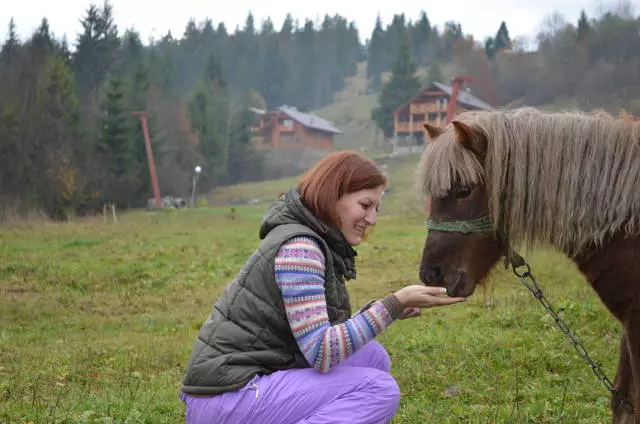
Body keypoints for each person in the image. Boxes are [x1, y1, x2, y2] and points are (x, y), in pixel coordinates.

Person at [179, 151, 467, 424]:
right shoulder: (301, 249)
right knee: (378, 390)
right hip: (228, 396)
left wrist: (392, 309)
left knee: (372, 358)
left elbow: (315, 335)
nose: (372, 219)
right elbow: (321, 352)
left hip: (250, 381)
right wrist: (392, 304)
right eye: (365, 205)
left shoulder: (313, 240)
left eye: (376, 209)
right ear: (333, 195)